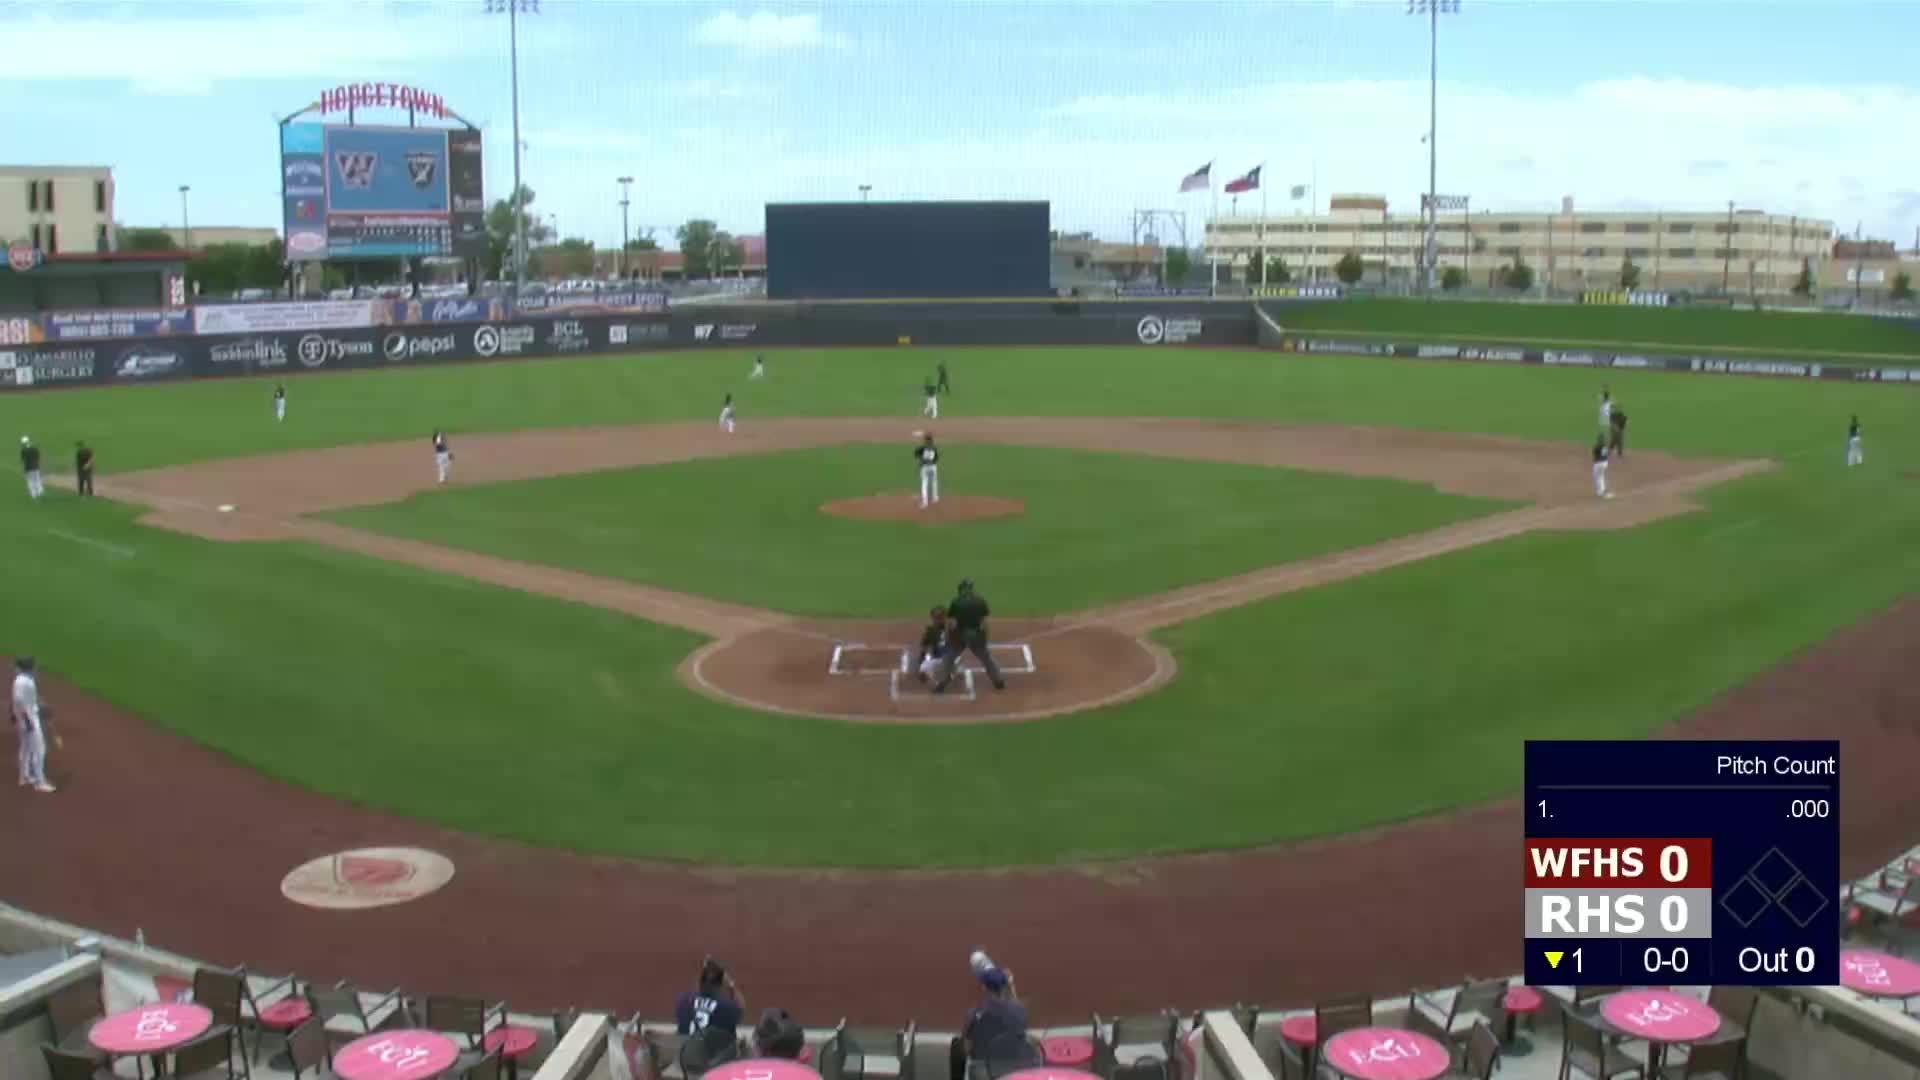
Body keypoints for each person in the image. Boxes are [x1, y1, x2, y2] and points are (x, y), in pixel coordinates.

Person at [950, 964, 1028, 1080]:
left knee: (956, 1045)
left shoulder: (974, 1014)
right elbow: (1016, 1007)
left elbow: (966, 1048)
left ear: (984, 987)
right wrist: (1011, 986)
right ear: (1004, 987)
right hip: (1013, 1070)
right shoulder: (1019, 1010)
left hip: (983, 1072)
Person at [934, 580, 1006, 693]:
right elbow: (984, 622)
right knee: (986, 659)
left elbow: (952, 623)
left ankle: (942, 684)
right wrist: (983, 637)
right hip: (977, 636)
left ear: (960, 589)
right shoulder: (980, 601)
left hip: (959, 636)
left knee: (948, 659)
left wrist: (949, 636)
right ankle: (998, 681)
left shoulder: (956, 602)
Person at [675, 957, 746, 1037]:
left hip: (687, 1047)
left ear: (700, 983)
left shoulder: (684, 1001)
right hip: (713, 1049)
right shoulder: (727, 1007)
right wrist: (730, 983)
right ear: (720, 986)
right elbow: (741, 1008)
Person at [13, 656, 53, 793]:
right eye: (34, 666)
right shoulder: (25, 682)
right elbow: (19, 700)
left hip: (24, 718)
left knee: (26, 748)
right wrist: (27, 720)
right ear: (29, 668)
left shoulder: (22, 680)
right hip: (29, 720)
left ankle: (24, 777)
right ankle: (40, 782)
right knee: (40, 750)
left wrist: (39, 705)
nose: (36, 669)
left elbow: (25, 700)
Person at [915, 605, 950, 684]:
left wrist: (921, 661)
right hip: (953, 661)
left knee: (922, 674)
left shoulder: (930, 631)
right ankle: (949, 673)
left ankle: (938, 680)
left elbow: (924, 648)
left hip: (937, 661)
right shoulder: (953, 629)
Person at [916, 431, 941, 509]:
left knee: (924, 483)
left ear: (925, 440)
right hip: (933, 467)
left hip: (925, 467)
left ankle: (925, 502)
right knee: (934, 481)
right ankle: (935, 498)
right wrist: (932, 461)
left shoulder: (923, 447)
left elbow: (916, 453)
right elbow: (937, 458)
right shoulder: (934, 447)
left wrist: (921, 460)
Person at [20, 436, 43, 500]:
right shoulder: (34, 449)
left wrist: (23, 469)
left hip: (28, 468)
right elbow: (38, 457)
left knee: (30, 481)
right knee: (37, 480)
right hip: (36, 467)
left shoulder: (23, 451)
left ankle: (34, 495)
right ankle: (40, 492)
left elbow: (23, 460)